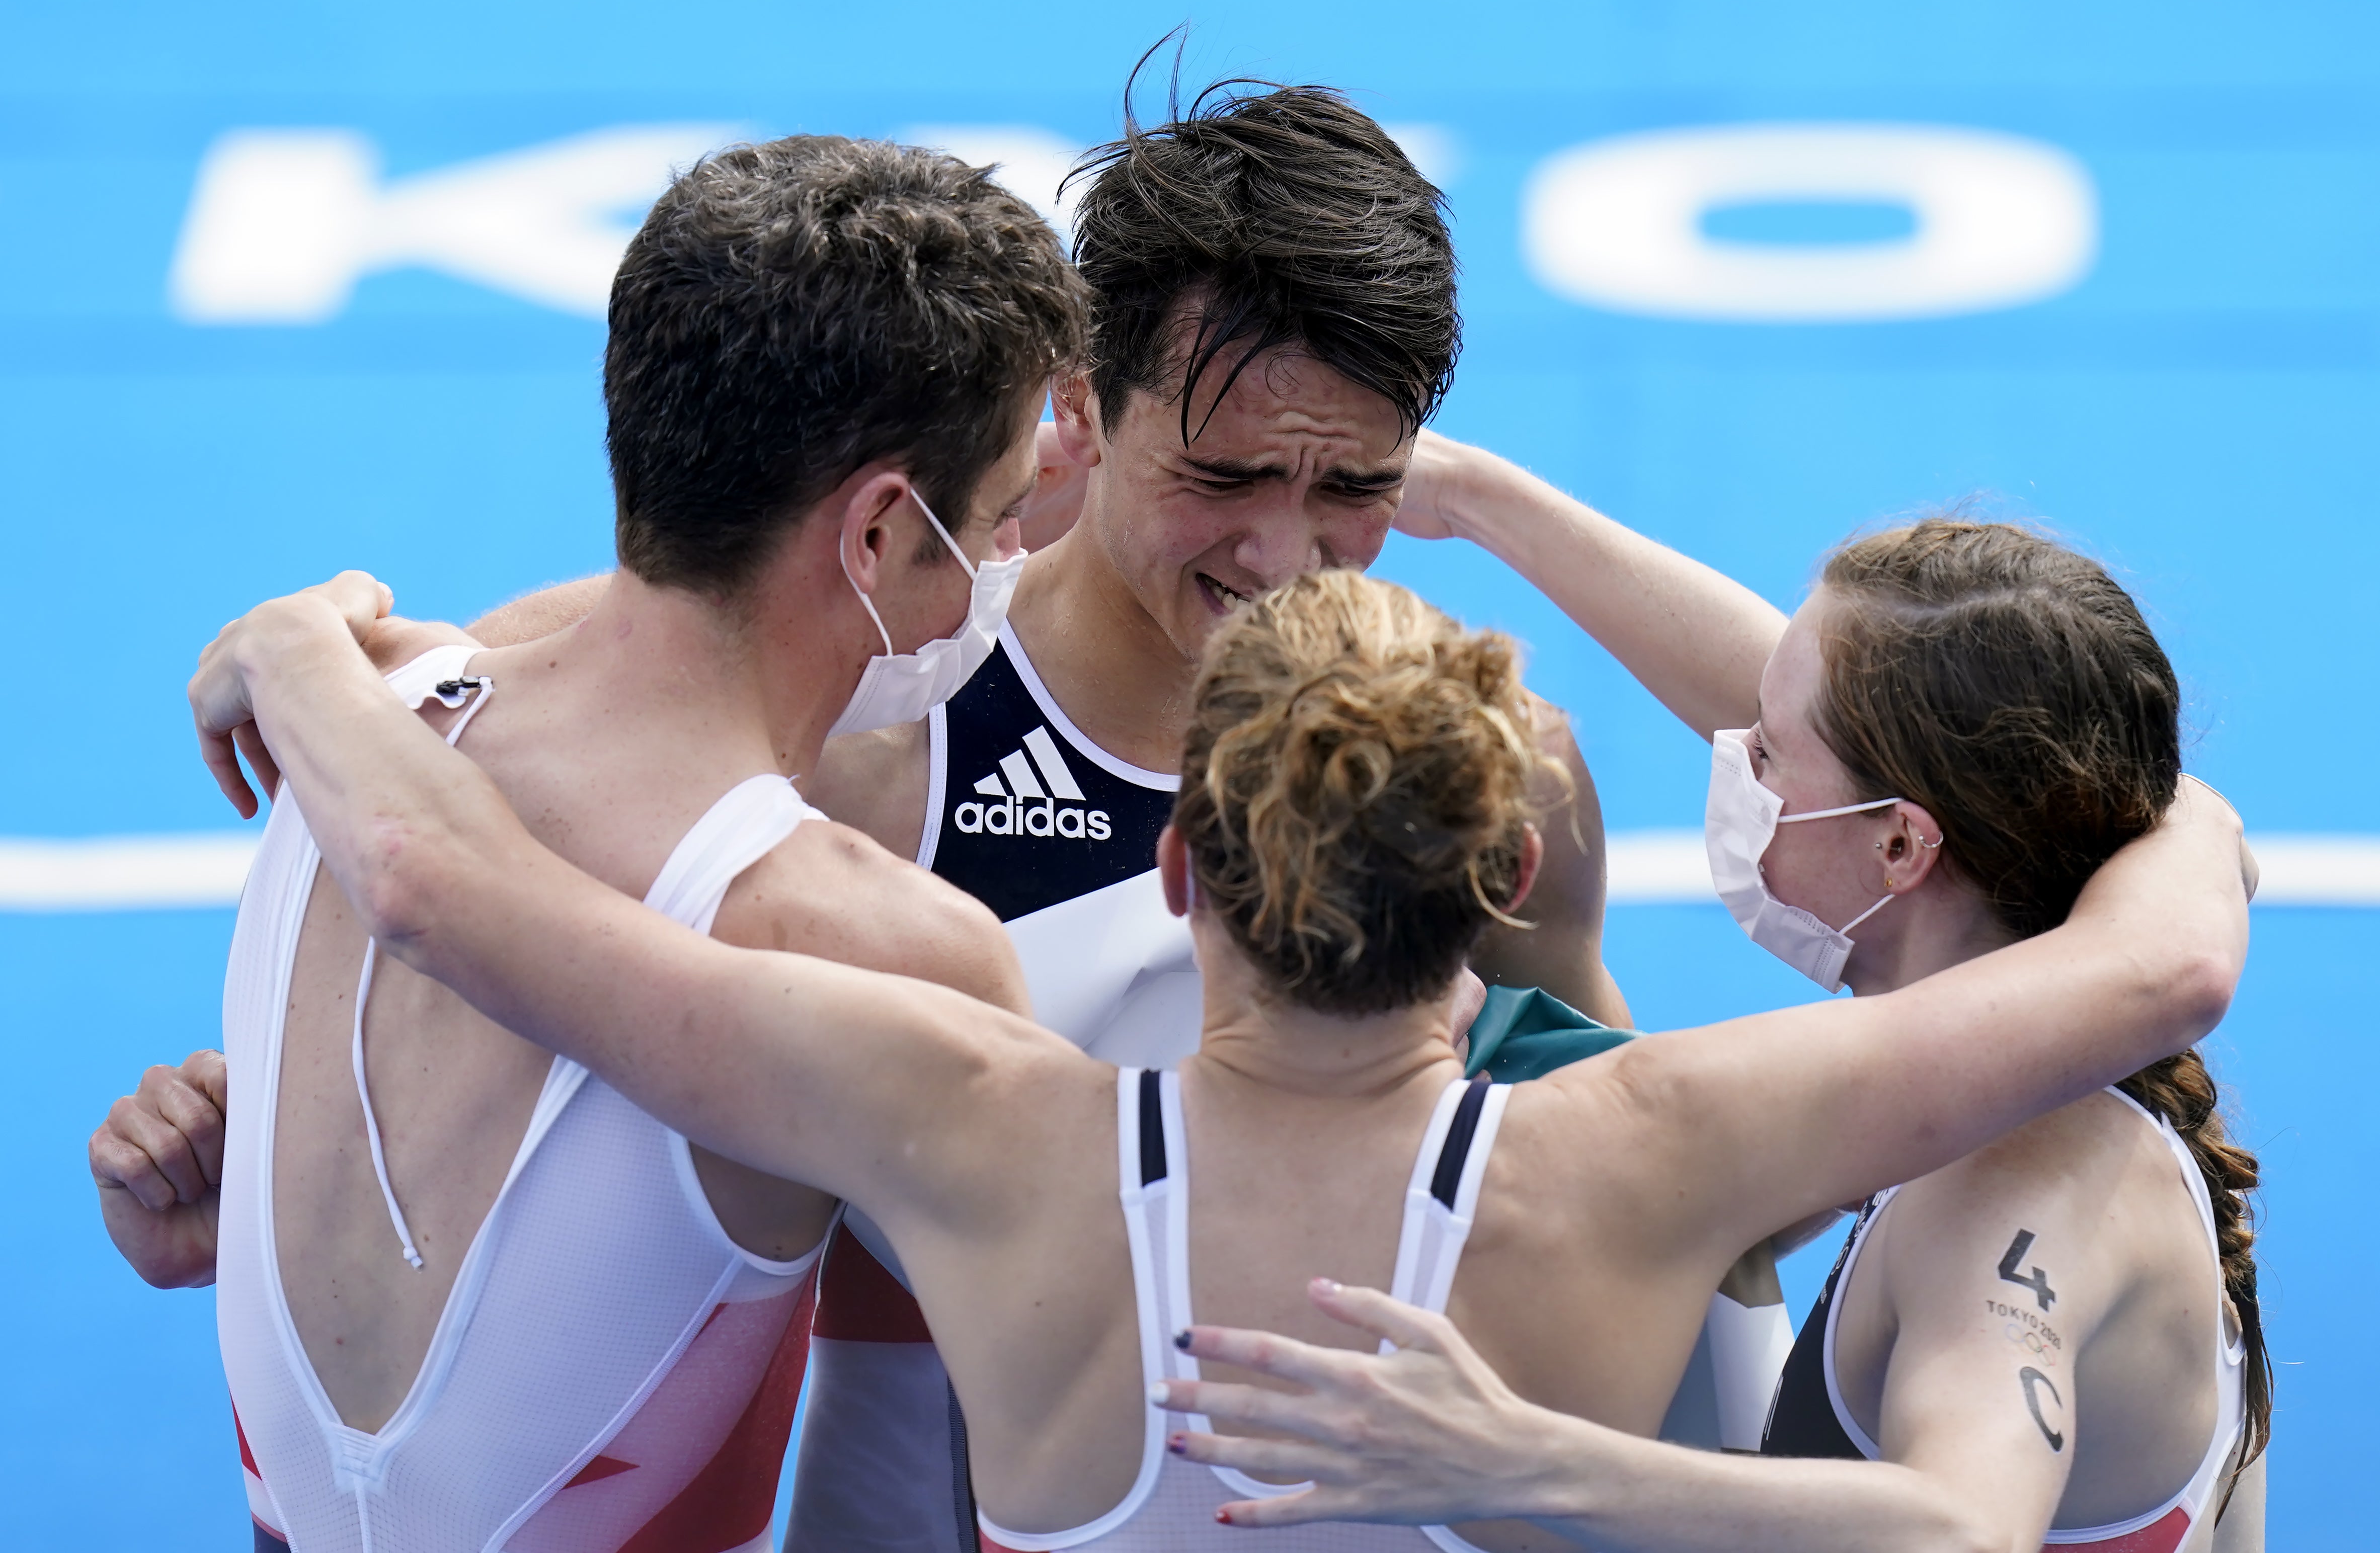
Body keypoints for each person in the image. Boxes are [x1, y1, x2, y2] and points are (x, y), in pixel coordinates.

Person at [184, 559, 2247, 1552]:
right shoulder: (1667, 1140)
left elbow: (455, 899)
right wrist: (2153, 796)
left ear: (1175, 868)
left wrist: (302, 651)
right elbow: (2154, 953)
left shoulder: (965, 1127)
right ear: (1513, 865)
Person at [446, 75, 1784, 1545]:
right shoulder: (886, 731)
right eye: (1224, 478)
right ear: (1079, 403)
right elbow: (555, 753)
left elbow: (1660, 1222)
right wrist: (238, 1107)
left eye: (1356, 485)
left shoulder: (1465, 767)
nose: (1285, 549)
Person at [85, 135, 1085, 1551]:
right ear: (875, 531)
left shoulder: (337, 719)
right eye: (991, 526)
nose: (1003, 573)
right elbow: (1076, 1459)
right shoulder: (873, 947)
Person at [1137, 447, 2271, 1551]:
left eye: (1769, 753)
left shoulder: (2008, 1185)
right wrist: (1471, 494)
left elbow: (1965, 1526)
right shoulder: (2010, 1074)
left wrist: (1515, 1454)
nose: (1735, 762)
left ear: (1899, 842)